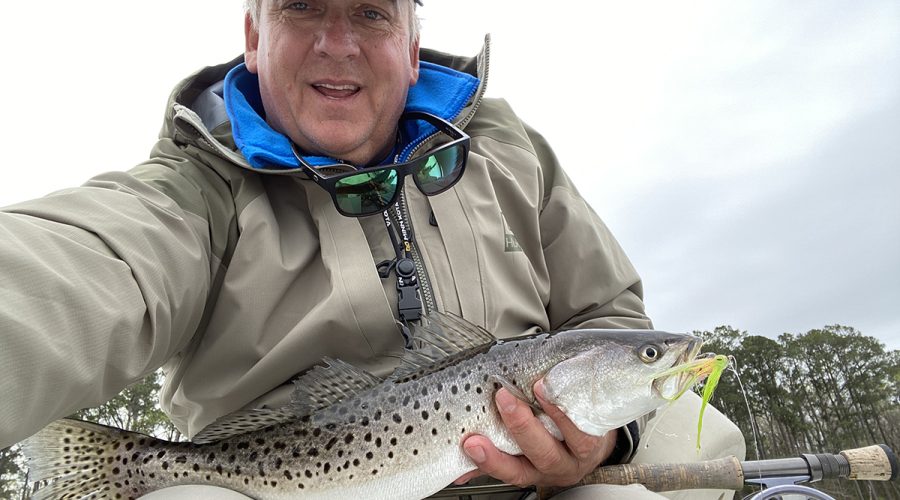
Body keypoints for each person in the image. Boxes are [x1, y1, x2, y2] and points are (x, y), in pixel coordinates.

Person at [0, 0, 744, 498]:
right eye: (304, 5)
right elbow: (78, 265)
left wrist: (614, 438)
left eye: (369, 11)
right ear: (253, 37)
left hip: (542, 483)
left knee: (702, 431)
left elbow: (609, 311)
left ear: (411, 45)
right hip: (271, 474)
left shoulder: (510, 150)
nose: (338, 43)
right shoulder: (194, 188)